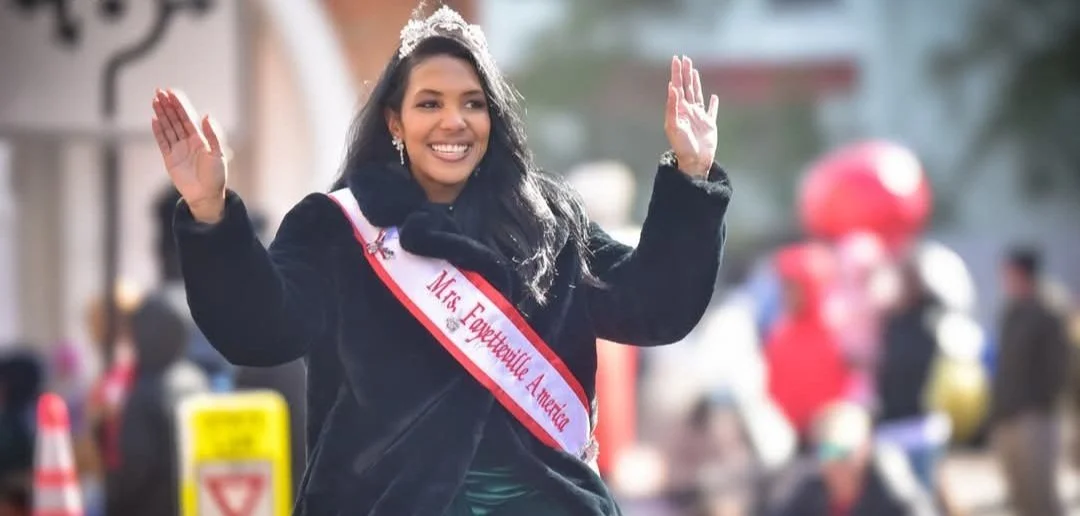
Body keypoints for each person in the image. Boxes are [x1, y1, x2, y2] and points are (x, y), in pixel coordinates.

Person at [150, 6, 731, 515]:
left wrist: (690, 177)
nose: (453, 121)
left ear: (492, 119)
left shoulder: (548, 220)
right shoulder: (337, 226)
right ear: (395, 122)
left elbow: (650, 307)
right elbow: (262, 332)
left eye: (472, 104)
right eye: (430, 103)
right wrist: (210, 211)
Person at [990, 245, 1070, 516]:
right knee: (1021, 499)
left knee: (1042, 498)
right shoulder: (1012, 311)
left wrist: (1041, 401)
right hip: (1008, 416)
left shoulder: (1048, 309)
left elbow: (1060, 366)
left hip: (1036, 416)